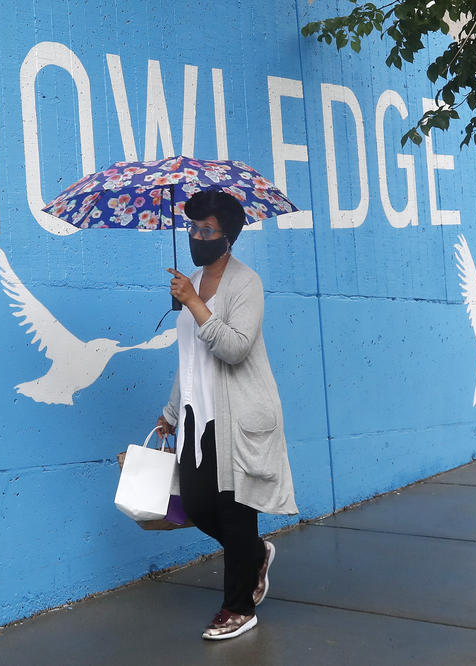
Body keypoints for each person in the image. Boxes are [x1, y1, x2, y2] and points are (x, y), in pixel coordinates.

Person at [155, 189, 297, 640]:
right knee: (195, 506)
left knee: (235, 515)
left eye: (206, 230)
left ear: (228, 237)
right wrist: (172, 412)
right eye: (193, 228)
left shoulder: (245, 283)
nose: (197, 236)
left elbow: (235, 348)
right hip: (197, 416)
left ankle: (238, 608)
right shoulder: (192, 281)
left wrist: (196, 305)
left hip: (236, 416)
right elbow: (190, 356)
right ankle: (254, 555)